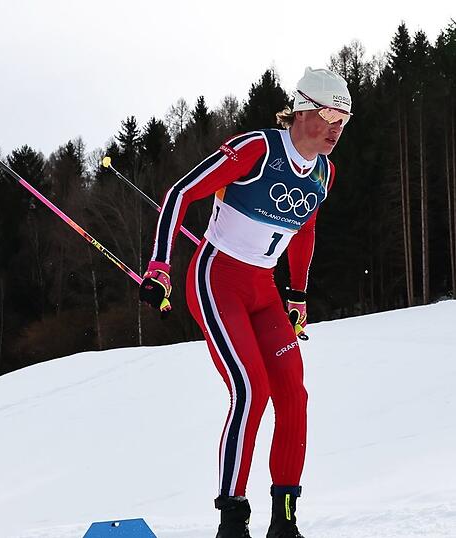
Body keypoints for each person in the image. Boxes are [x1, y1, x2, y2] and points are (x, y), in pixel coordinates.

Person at [138, 67, 351, 538]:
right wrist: (159, 266)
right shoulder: (258, 148)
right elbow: (179, 194)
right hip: (217, 278)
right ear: (302, 110)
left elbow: (305, 231)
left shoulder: (325, 172)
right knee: (251, 390)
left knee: (294, 395)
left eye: (345, 119)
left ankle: (285, 520)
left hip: (264, 291)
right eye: (331, 115)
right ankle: (233, 520)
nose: (337, 128)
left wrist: (297, 294)